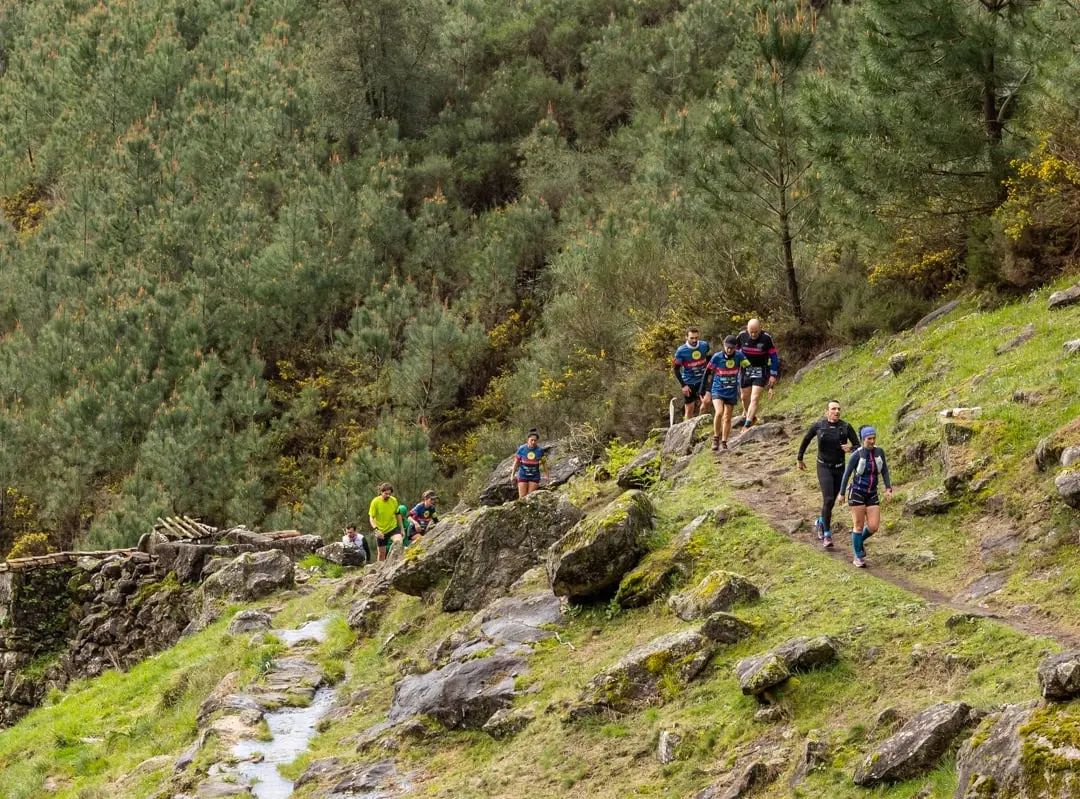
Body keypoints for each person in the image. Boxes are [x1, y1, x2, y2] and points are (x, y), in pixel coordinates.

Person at [797, 400, 860, 549]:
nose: (837, 411)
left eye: (839, 409)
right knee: (829, 498)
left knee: (831, 502)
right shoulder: (819, 426)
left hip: (839, 467)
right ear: (827, 411)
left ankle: (820, 521)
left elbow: (858, 446)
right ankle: (827, 534)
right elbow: (806, 440)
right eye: (833, 409)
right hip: (823, 466)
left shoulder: (845, 427)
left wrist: (850, 448)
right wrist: (800, 458)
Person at [839, 426, 893, 568]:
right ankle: (857, 555)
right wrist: (842, 493)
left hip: (872, 492)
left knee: (874, 526)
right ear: (863, 439)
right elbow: (847, 474)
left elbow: (885, 471)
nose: (872, 441)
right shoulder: (856, 455)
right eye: (869, 438)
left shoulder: (879, 452)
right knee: (858, 525)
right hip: (857, 491)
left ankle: (858, 541)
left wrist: (888, 488)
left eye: (874, 438)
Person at [703, 336, 751, 451]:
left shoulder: (739, 356)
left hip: (731, 391)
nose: (729, 350)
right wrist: (704, 390)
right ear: (724, 345)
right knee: (719, 412)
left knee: (727, 417)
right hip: (718, 389)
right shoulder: (717, 357)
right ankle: (715, 438)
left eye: (732, 348)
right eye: (727, 347)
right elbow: (707, 372)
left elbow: (748, 366)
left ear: (735, 348)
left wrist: (744, 379)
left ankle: (724, 442)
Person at [735, 318, 779, 428]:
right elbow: (733, 352)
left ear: (760, 328)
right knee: (744, 397)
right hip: (745, 370)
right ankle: (751, 417)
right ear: (747, 329)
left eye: (756, 331)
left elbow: (774, 357)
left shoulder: (766, 338)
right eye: (751, 331)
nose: (754, 334)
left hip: (760, 370)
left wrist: (773, 374)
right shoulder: (741, 336)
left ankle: (747, 424)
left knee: (754, 397)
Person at [672, 326, 711, 421]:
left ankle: (700, 423)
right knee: (689, 408)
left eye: (696, 338)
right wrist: (683, 385)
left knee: (707, 401)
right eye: (691, 338)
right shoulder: (681, 351)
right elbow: (676, 369)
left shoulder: (704, 345)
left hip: (702, 379)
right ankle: (686, 427)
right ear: (686, 337)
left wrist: (710, 373)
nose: (694, 340)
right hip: (689, 381)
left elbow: (709, 358)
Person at [368, 482, 404, 561]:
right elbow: (371, 518)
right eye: (386, 493)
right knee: (381, 554)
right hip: (381, 530)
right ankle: (379, 571)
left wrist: (402, 528)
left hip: (392, 528)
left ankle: (394, 562)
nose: (388, 495)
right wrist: (376, 530)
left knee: (398, 543)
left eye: (389, 494)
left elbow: (398, 514)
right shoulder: (375, 502)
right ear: (381, 492)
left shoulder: (394, 500)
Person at [512, 429, 548, 498]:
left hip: (534, 476)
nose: (533, 442)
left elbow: (544, 463)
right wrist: (512, 475)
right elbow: (516, 462)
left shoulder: (540, 450)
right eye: (531, 440)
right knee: (522, 498)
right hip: (523, 475)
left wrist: (547, 476)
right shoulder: (521, 449)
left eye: (535, 440)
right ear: (528, 439)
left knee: (530, 497)